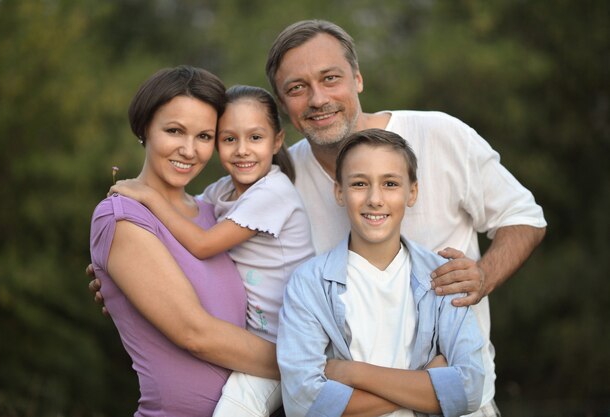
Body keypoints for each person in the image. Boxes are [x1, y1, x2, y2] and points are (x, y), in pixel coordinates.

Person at [265, 19, 547, 415]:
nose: (317, 99)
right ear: (282, 104)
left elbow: (525, 217)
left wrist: (484, 275)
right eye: (297, 88)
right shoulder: (281, 183)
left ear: (358, 78)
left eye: (331, 78)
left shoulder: (440, 134)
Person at [108, 85, 315, 417]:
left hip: (293, 340)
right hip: (261, 339)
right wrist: (114, 275)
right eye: (228, 139)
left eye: (255, 138)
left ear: (277, 141)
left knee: (237, 409)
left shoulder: (273, 192)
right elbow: (184, 221)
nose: (242, 150)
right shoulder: (222, 192)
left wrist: (148, 197)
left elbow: (202, 244)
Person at [278, 128, 485, 417]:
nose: (375, 199)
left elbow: (470, 389)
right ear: (340, 192)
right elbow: (304, 404)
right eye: (360, 184)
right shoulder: (309, 284)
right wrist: (427, 382)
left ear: (412, 192)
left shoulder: (443, 277)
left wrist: (353, 373)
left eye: (390, 183)